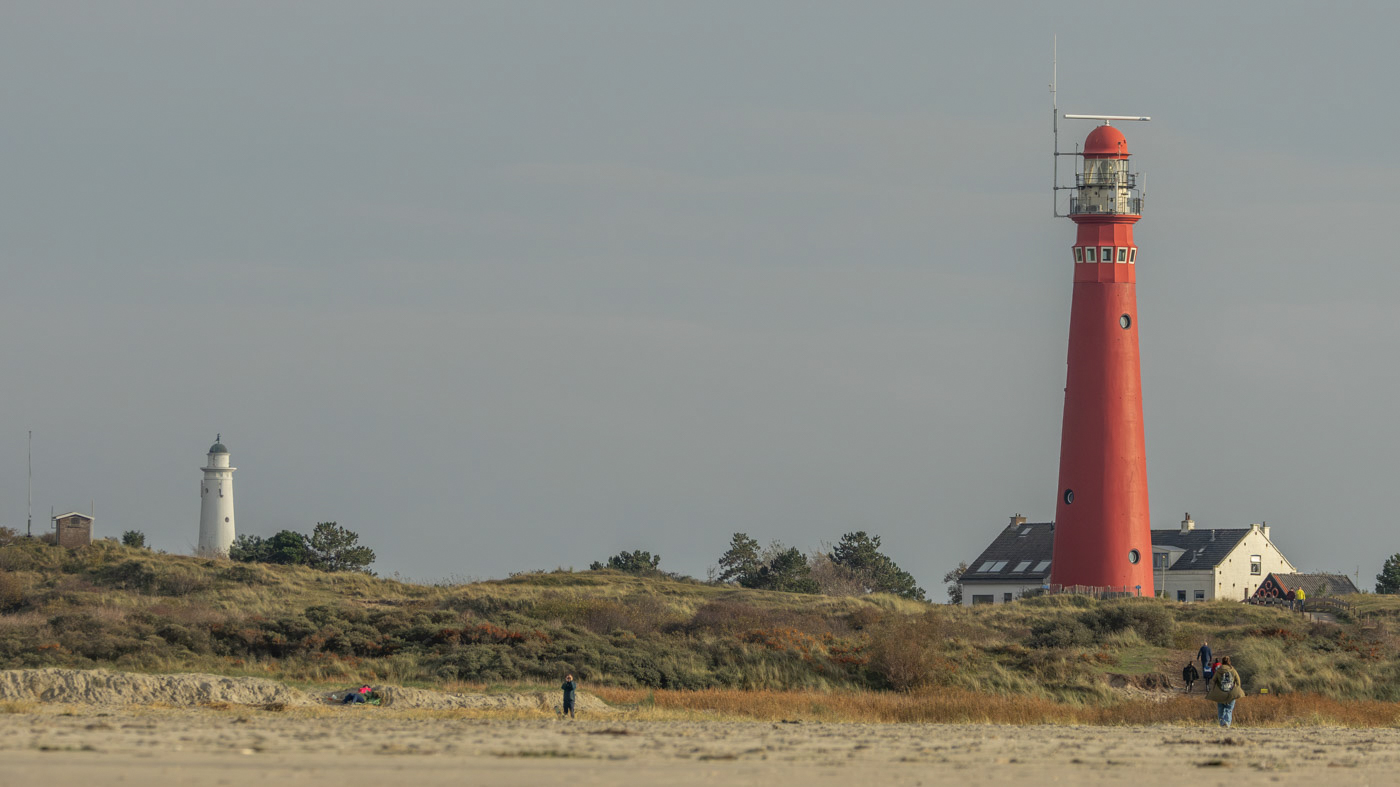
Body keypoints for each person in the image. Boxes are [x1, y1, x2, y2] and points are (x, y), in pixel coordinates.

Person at [1206, 655, 1245, 728]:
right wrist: (1237, 688)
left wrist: (1214, 689)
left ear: (1222, 662)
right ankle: (1227, 723)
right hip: (1231, 693)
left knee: (1221, 709)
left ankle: (1222, 723)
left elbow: (1213, 680)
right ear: (1229, 662)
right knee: (1229, 709)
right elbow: (1238, 681)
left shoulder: (1218, 670)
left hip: (1220, 693)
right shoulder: (1233, 670)